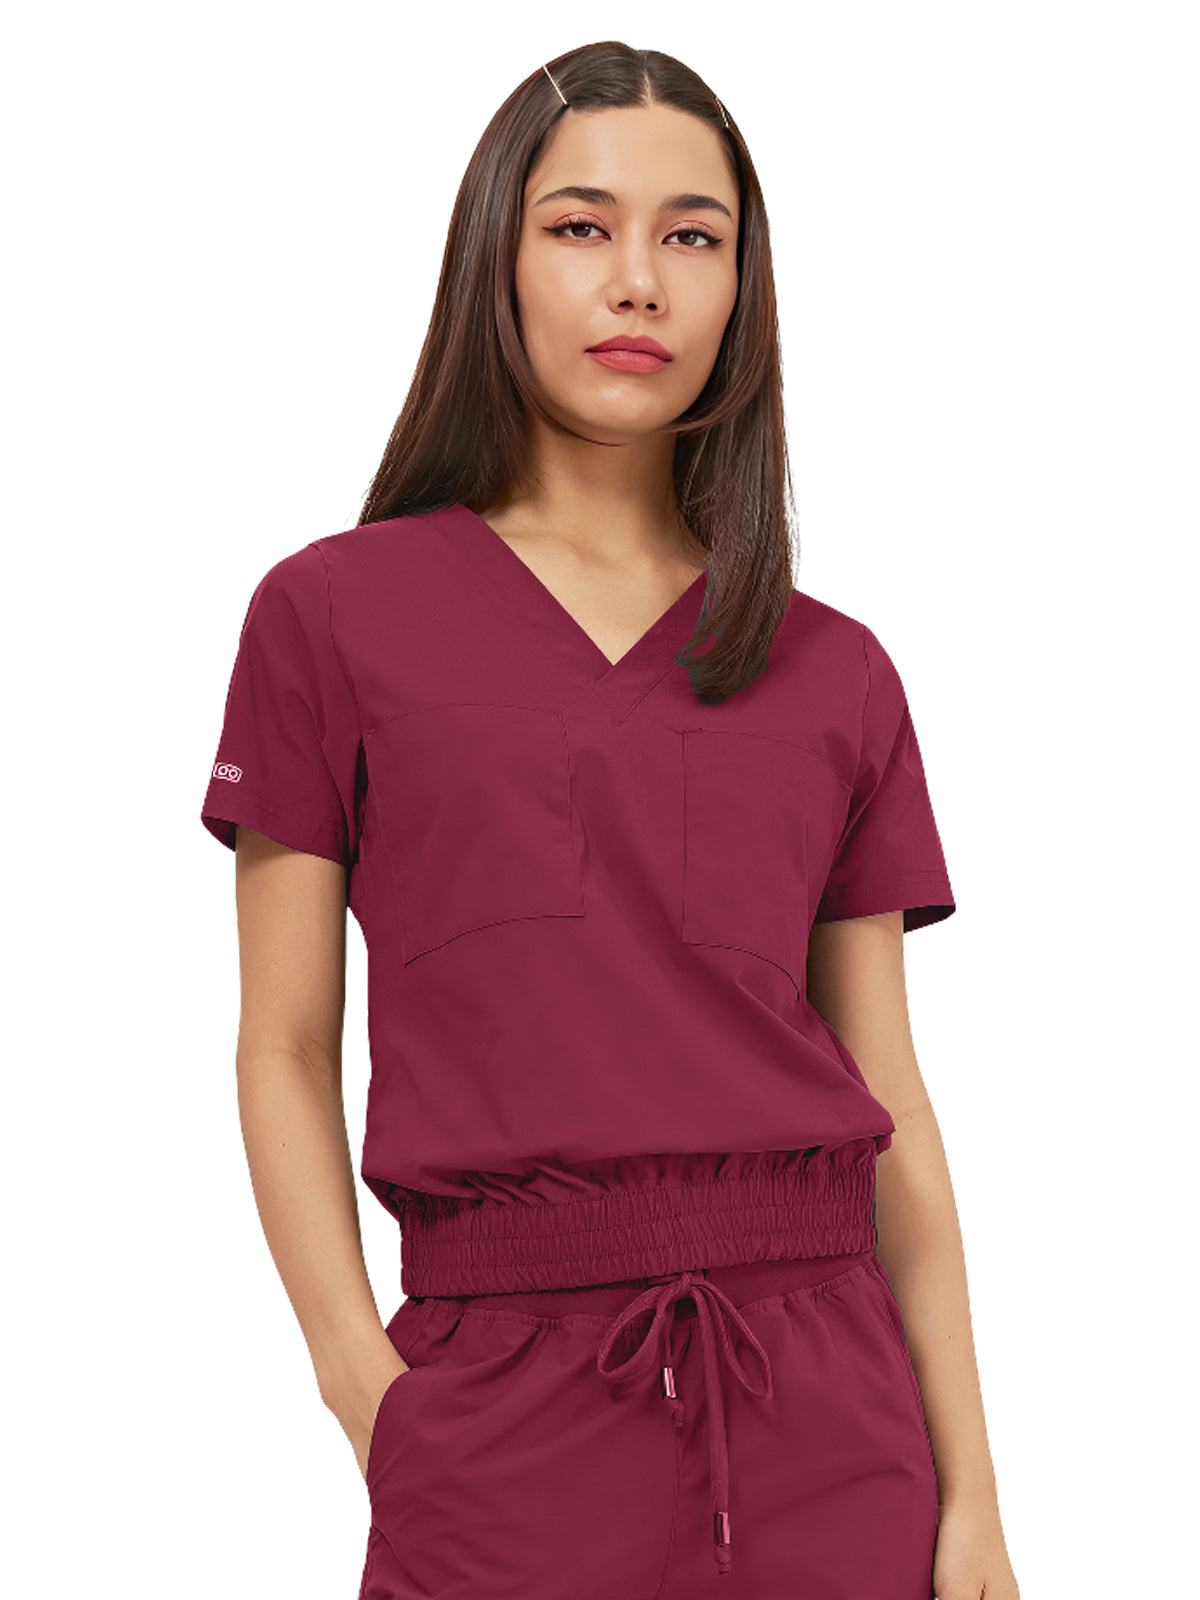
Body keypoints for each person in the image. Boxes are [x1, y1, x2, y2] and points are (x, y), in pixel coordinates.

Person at [199, 41, 1020, 1600]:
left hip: (831, 1415)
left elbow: (891, 1100)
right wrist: (373, 1401)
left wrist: (972, 1490)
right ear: (495, 260)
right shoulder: (331, 617)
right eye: (581, 226)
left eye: (692, 236)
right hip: (498, 1418)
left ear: (741, 287)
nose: (639, 279)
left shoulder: (836, 670)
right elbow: (283, 1048)